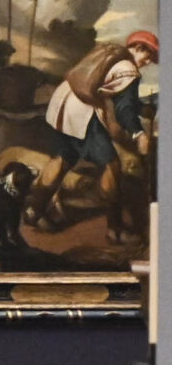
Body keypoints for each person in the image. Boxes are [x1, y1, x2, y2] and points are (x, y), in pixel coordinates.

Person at [26, 30, 159, 233]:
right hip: (82, 113)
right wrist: (138, 133)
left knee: (62, 158)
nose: (147, 62)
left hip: (63, 103)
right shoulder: (129, 70)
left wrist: (141, 109)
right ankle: (115, 230)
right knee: (111, 166)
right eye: (147, 56)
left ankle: (33, 211)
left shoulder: (111, 56)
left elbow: (119, 98)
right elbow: (124, 108)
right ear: (138, 48)